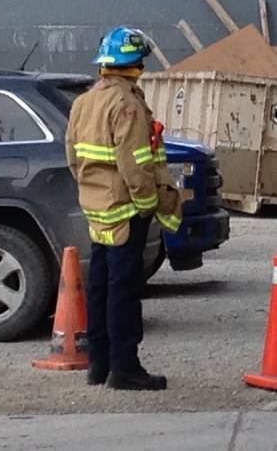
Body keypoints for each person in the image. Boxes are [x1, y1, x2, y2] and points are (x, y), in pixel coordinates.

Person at [66, 27, 183, 391]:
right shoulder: (127, 104)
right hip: (124, 208)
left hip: (97, 207)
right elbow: (135, 163)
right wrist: (148, 205)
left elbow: (72, 157)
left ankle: (98, 364)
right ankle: (125, 367)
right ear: (134, 64)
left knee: (99, 283)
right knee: (124, 289)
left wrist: (92, 189)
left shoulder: (84, 101)